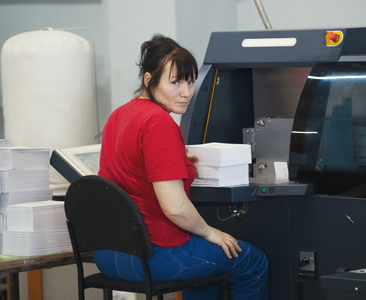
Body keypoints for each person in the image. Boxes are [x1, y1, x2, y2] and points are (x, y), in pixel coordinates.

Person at [94, 34, 269, 300]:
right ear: (149, 80)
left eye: (190, 82)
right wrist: (212, 233)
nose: (186, 92)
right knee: (252, 262)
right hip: (155, 255)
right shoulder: (159, 123)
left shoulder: (119, 115)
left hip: (110, 254)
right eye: (175, 82)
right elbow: (174, 207)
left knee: (207, 280)